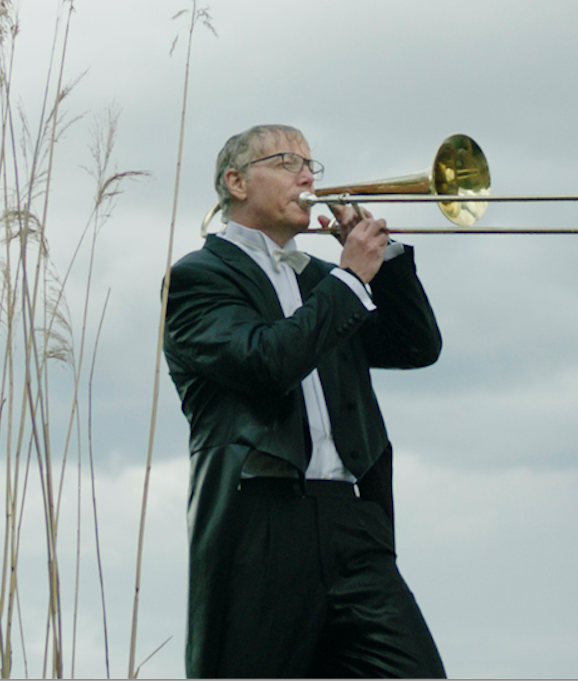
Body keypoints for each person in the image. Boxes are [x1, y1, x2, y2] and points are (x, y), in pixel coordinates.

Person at [164, 124, 446, 678]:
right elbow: (268, 361)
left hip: (352, 519)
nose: (308, 176)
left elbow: (416, 347)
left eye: (312, 164)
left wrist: (382, 261)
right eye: (288, 161)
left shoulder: (326, 276)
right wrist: (347, 281)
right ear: (237, 182)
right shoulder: (197, 279)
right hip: (261, 523)